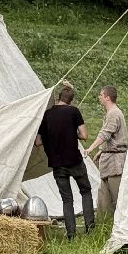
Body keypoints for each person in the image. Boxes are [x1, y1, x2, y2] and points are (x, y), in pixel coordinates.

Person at [35, 84, 94, 238]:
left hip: (57, 164)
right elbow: (84, 135)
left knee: (67, 199)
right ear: (71, 101)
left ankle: (71, 234)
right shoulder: (73, 111)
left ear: (58, 98)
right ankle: (90, 228)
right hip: (75, 161)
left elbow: (38, 142)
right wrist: (72, 133)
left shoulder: (47, 115)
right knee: (85, 191)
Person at [90, 85, 128, 210]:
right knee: (103, 197)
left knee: (116, 197)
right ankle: (103, 225)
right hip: (109, 159)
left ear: (107, 97)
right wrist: (101, 151)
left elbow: (105, 134)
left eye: (101, 95)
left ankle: (118, 225)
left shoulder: (114, 114)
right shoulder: (110, 113)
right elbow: (111, 137)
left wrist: (91, 148)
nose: (99, 97)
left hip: (115, 161)